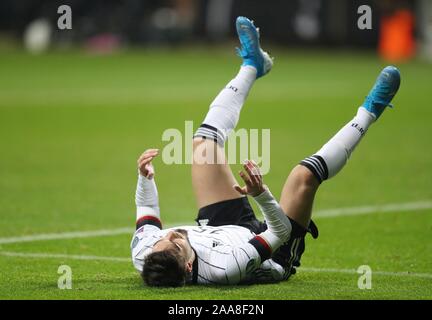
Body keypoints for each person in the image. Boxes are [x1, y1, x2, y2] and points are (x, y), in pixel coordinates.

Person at [130, 16, 401, 287]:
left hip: (220, 229)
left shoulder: (145, 252)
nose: (172, 236)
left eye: (162, 241)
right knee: (303, 176)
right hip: (274, 249)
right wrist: (261, 194)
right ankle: (370, 111)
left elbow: (147, 208)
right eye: (176, 247)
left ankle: (252, 65)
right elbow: (279, 231)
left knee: (203, 146)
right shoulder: (226, 268)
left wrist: (145, 178)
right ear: (188, 267)